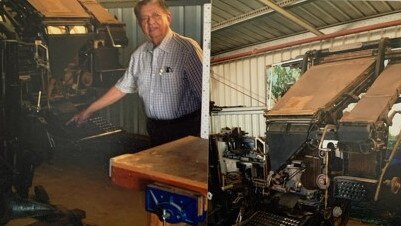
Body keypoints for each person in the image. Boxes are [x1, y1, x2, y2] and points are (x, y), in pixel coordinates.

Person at [67, 0, 202, 147]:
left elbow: (204, 93)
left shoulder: (187, 49)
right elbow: (120, 89)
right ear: (139, 24)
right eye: (144, 18)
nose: (151, 22)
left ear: (168, 17)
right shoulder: (139, 55)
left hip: (185, 130)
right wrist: (87, 111)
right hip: (155, 130)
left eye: (156, 15)